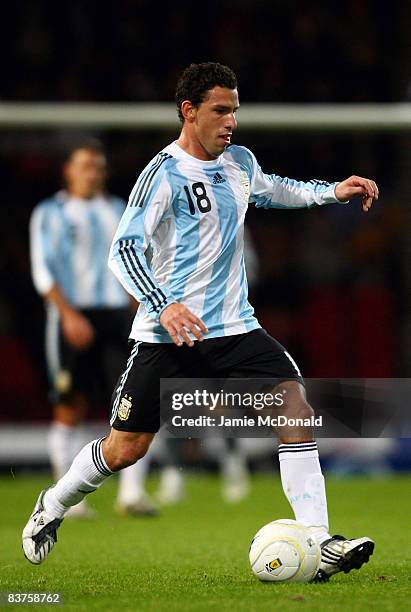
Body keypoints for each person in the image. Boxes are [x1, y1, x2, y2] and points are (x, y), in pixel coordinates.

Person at [23, 63, 378, 581]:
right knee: (125, 449)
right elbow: (124, 252)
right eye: (220, 110)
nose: (231, 121)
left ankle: (320, 540)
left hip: (235, 326)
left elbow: (274, 189)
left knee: (293, 405)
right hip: (168, 335)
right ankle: (52, 505)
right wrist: (163, 304)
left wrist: (331, 191)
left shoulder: (239, 161)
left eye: (234, 110)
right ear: (189, 112)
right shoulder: (161, 175)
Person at [29, 142, 157, 518]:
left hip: (119, 316)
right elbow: (43, 270)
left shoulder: (119, 209)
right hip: (73, 315)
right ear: (68, 171)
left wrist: (141, 306)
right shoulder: (49, 212)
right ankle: (72, 498)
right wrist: (68, 315)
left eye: (98, 166)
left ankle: (132, 494)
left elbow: (138, 258)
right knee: (71, 404)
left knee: (135, 401)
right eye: (85, 166)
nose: (93, 172)